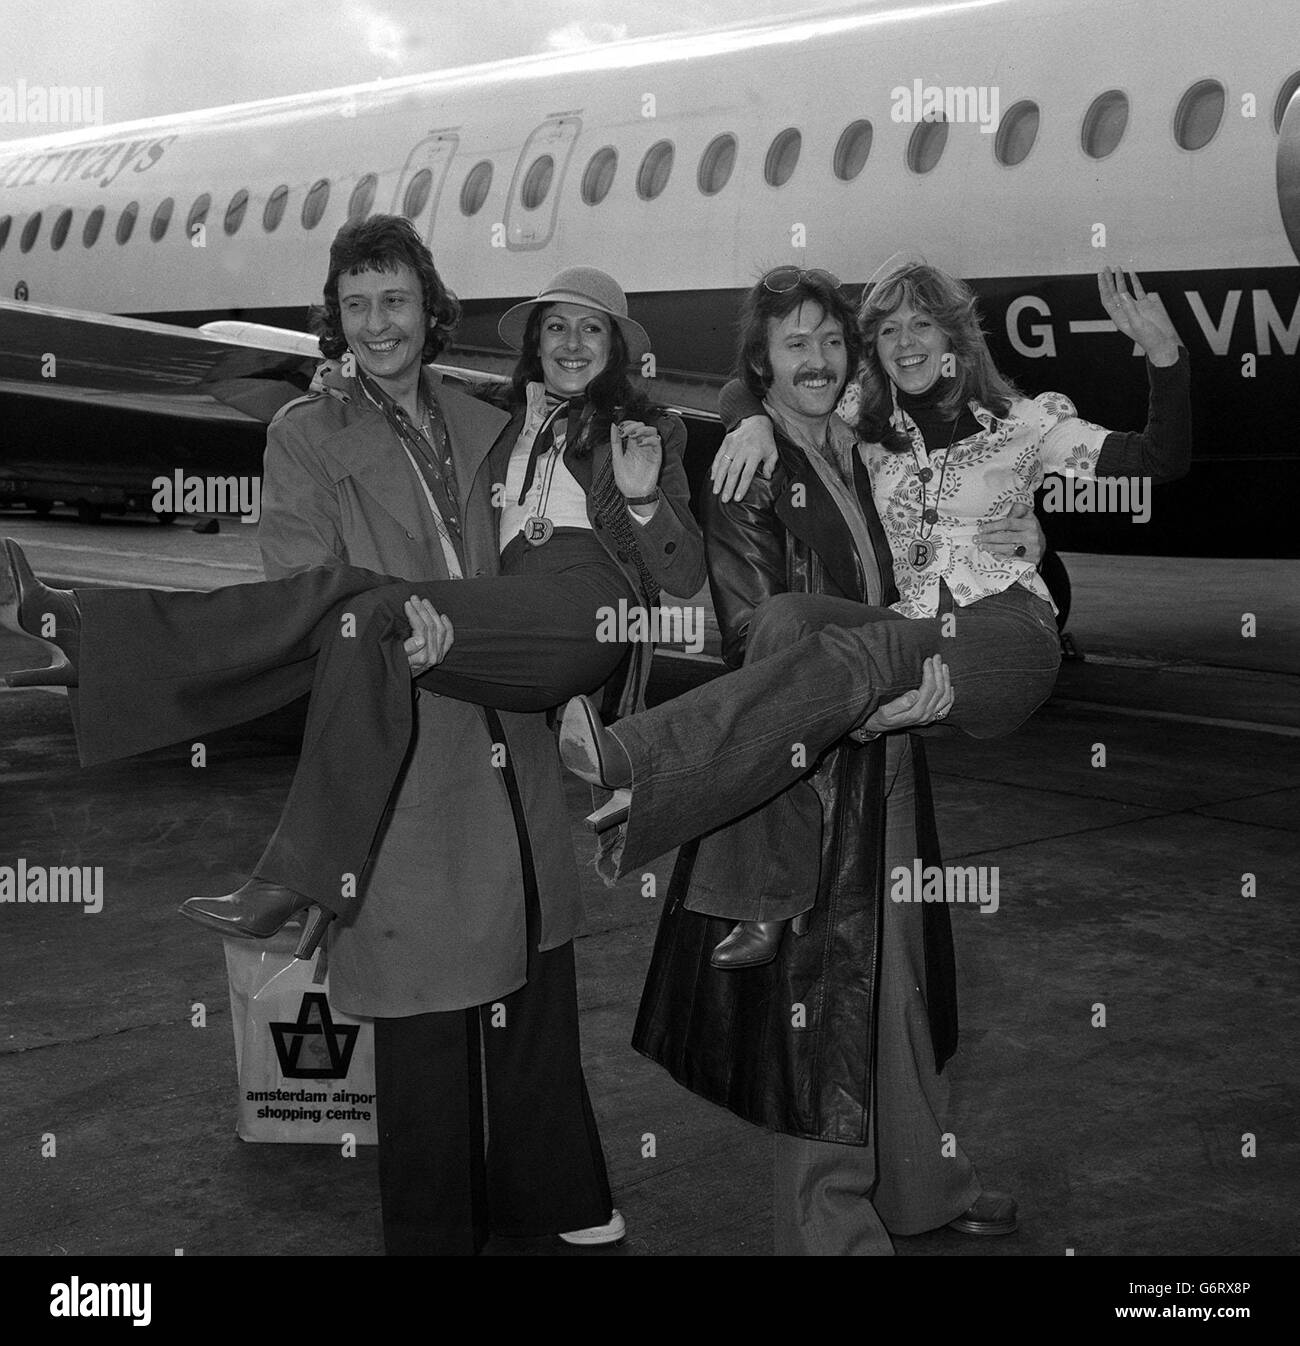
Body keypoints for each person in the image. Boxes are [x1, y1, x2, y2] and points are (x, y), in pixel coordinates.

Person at [0, 217, 703, 1256]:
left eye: (397, 300)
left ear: (430, 311)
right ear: (337, 318)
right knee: (428, 1020)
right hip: (407, 739)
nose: (379, 324)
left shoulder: (486, 419)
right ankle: (445, 1228)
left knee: (531, 990)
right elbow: (297, 593)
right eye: (358, 304)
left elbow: (628, 530)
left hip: (506, 712)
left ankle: (557, 1196)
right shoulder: (306, 431)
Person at [0, 241, 704, 964]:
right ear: (535, 341)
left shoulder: (649, 431)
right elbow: (404, 400)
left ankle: (86, 634)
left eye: (592, 329)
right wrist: (339, 385)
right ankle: (300, 878)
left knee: (357, 604)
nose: (572, 343)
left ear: (618, 347)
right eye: (556, 326)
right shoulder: (498, 414)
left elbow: (682, 578)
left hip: (586, 609)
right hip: (506, 608)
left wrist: (647, 492)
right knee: (355, 612)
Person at [560, 261, 1190, 972]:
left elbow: (1156, 460)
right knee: (786, 621)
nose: (907, 341)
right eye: (889, 329)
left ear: (955, 336)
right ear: (875, 349)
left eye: (923, 323)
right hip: (910, 633)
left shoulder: (1026, 423)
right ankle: (766, 892)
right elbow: (757, 377)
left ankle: (635, 760)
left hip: (1005, 636)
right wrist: (753, 425)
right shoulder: (867, 423)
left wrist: (1164, 358)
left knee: (852, 657)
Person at [591, 264, 1040, 1254]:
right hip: (810, 764)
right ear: (763, 360)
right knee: (820, 1009)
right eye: (794, 344)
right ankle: (834, 1225)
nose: (821, 359)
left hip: (886, 741)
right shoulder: (752, 472)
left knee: (905, 985)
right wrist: (747, 415)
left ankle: (926, 1183)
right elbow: (755, 630)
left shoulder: (859, 445)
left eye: (832, 341)